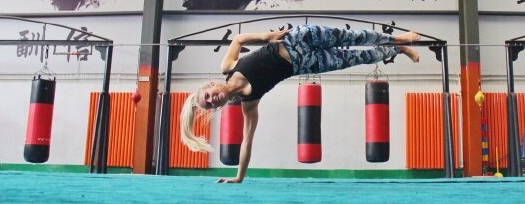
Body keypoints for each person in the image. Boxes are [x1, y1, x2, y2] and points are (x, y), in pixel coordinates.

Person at [180, 24, 421, 183]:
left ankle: (397, 38)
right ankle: (399, 50)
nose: (212, 100)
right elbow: (246, 142)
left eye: (208, 95)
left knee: (353, 37)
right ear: (216, 108)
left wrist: (266, 36)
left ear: (211, 85)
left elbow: (239, 38)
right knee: (356, 58)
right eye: (210, 105)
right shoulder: (249, 103)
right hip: (306, 63)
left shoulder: (228, 67)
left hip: (298, 38)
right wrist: (238, 177)